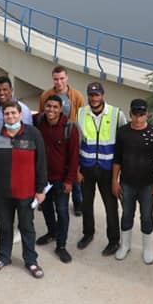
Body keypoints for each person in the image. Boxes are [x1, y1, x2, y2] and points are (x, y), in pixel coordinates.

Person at [0, 102, 48, 279]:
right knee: (5, 226)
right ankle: (3, 257)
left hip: (26, 192)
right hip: (2, 192)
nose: (10, 116)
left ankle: (31, 260)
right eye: (7, 113)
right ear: (3, 116)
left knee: (27, 227)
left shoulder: (33, 134)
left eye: (13, 113)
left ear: (20, 114)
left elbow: (41, 163)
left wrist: (40, 189)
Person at [75, 81, 126, 256]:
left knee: (110, 207)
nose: (94, 98)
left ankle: (114, 241)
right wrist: (77, 169)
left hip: (107, 169)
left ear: (103, 95)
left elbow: (123, 142)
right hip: (87, 167)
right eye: (91, 95)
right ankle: (88, 234)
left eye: (97, 95)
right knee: (86, 204)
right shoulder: (81, 113)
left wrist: (118, 175)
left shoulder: (116, 113)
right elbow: (77, 142)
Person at [112, 98, 153, 264]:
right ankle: (125, 245)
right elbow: (117, 159)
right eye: (135, 114)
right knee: (127, 214)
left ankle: (147, 248)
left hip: (148, 184)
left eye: (142, 114)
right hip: (127, 183)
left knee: (146, 216)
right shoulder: (122, 132)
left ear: (147, 114)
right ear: (130, 114)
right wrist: (114, 181)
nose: (138, 118)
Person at [34, 95, 79, 263]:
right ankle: (52, 232)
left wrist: (69, 180)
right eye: (48, 106)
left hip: (61, 179)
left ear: (61, 109)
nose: (51, 110)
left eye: (55, 107)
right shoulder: (38, 121)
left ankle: (61, 245)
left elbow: (74, 157)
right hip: (43, 178)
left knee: (62, 211)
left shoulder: (69, 128)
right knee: (46, 208)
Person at [38, 65, 86, 217]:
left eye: (62, 79)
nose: (59, 82)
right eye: (56, 79)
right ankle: (47, 200)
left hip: (70, 136)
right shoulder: (46, 95)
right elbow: (41, 115)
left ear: (67, 78)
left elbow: (81, 118)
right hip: (52, 139)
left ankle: (78, 202)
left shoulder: (77, 96)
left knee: (73, 173)